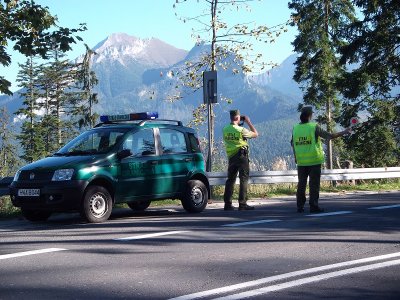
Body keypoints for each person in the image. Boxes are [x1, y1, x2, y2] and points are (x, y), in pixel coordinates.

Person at [291, 106, 351, 213]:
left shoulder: (295, 128)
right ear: (310, 115)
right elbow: (330, 136)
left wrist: (296, 157)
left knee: (301, 184)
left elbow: (293, 143)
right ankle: (313, 206)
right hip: (314, 161)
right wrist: (344, 132)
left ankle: (300, 206)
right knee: (314, 185)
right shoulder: (314, 127)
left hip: (301, 162)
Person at [223, 110, 258, 211]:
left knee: (230, 180)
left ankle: (227, 204)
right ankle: (242, 204)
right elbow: (256, 134)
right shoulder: (241, 130)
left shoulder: (225, 129)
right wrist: (248, 122)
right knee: (243, 179)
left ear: (231, 117)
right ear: (238, 118)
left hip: (231, 156)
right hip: (242, 156)